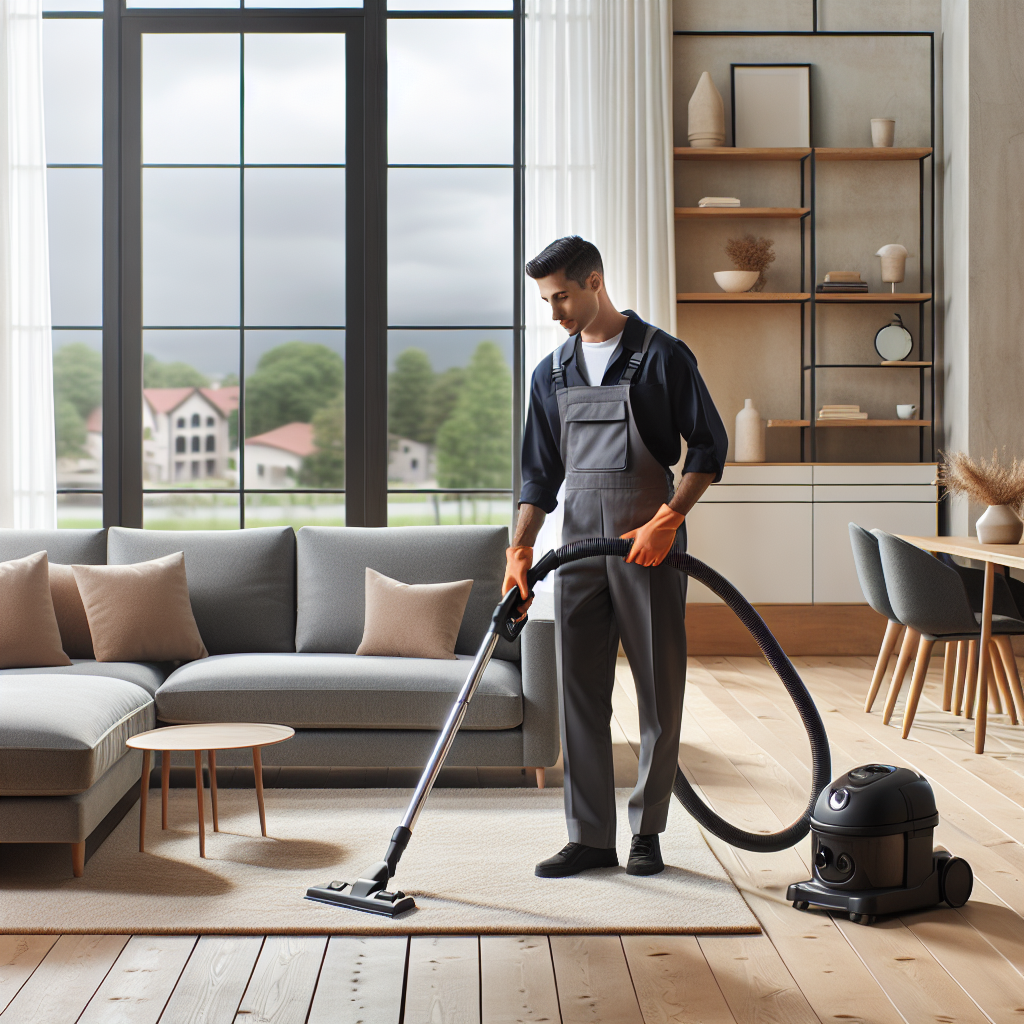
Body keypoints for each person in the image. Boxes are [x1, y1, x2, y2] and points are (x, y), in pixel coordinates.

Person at [505, 235, 728, 877]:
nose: (554, 312)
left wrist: (668, 519)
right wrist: (519, 548)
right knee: (578, 691)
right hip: (577, 547)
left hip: (648, 546)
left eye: (561, 297)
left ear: (595, 282)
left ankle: (646, 832)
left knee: (658, 691)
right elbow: (539, 476)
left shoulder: (662, 356)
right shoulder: (550, 373)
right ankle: (590, 836)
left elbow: (708, 450)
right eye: (546, 301)